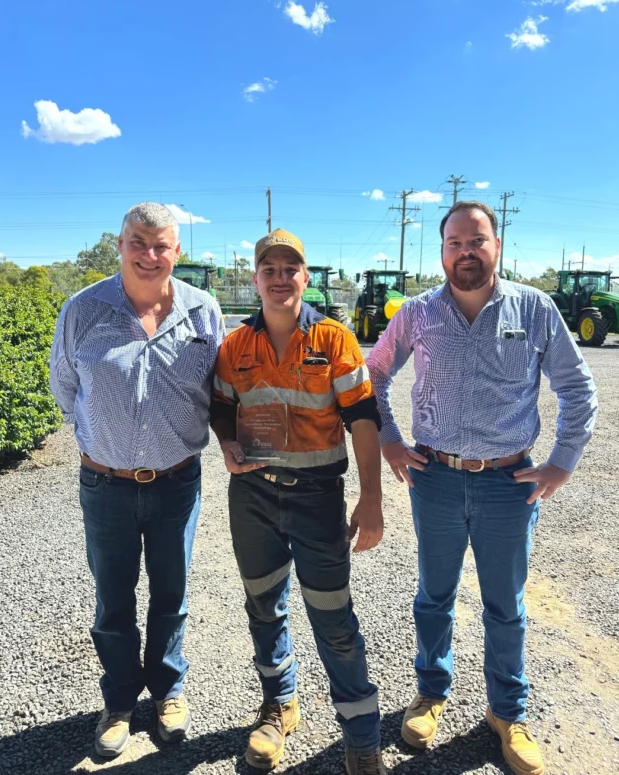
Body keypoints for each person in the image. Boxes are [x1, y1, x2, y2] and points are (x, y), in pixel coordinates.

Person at [366, 201, 597, 775]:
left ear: (497, 244)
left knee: (505, 607)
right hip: (435, 479)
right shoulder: (417, 313)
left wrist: (561, 464)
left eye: (477, 240)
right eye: (454, 242)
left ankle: (507, 713)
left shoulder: (535, 308)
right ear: (441, 249)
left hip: (508, 483)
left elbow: (578, 388)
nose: (465, 251)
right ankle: (431, 694)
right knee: (434, 597)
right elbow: (374, 374)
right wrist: (391, 441)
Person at [50, 203, 224, 758]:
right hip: (106, 485)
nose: (150, 256)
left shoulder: (203, 312)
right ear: (120, 244)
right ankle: (120, 700)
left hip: (177, 482)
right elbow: (64, 385)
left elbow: (220, 389)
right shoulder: (83, 310)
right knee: (113, 599)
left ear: (178, 251)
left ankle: (169, 691)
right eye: (138, 242)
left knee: (171, 596)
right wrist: (103, 437)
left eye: (162, 245)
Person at [211, 229, 387, 774]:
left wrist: (372, 498)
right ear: (256, 278)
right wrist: (228, 442)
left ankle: (360, 735)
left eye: (291, 268)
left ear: (305, 277)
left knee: (333, 619)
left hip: (316, 499)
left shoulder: (334, 340)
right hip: (254, 498)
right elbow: (220, 406)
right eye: (270, 269)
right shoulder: (235, 346)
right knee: (264, 607)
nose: (280, 277)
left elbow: (362, 419)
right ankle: (278, 705)